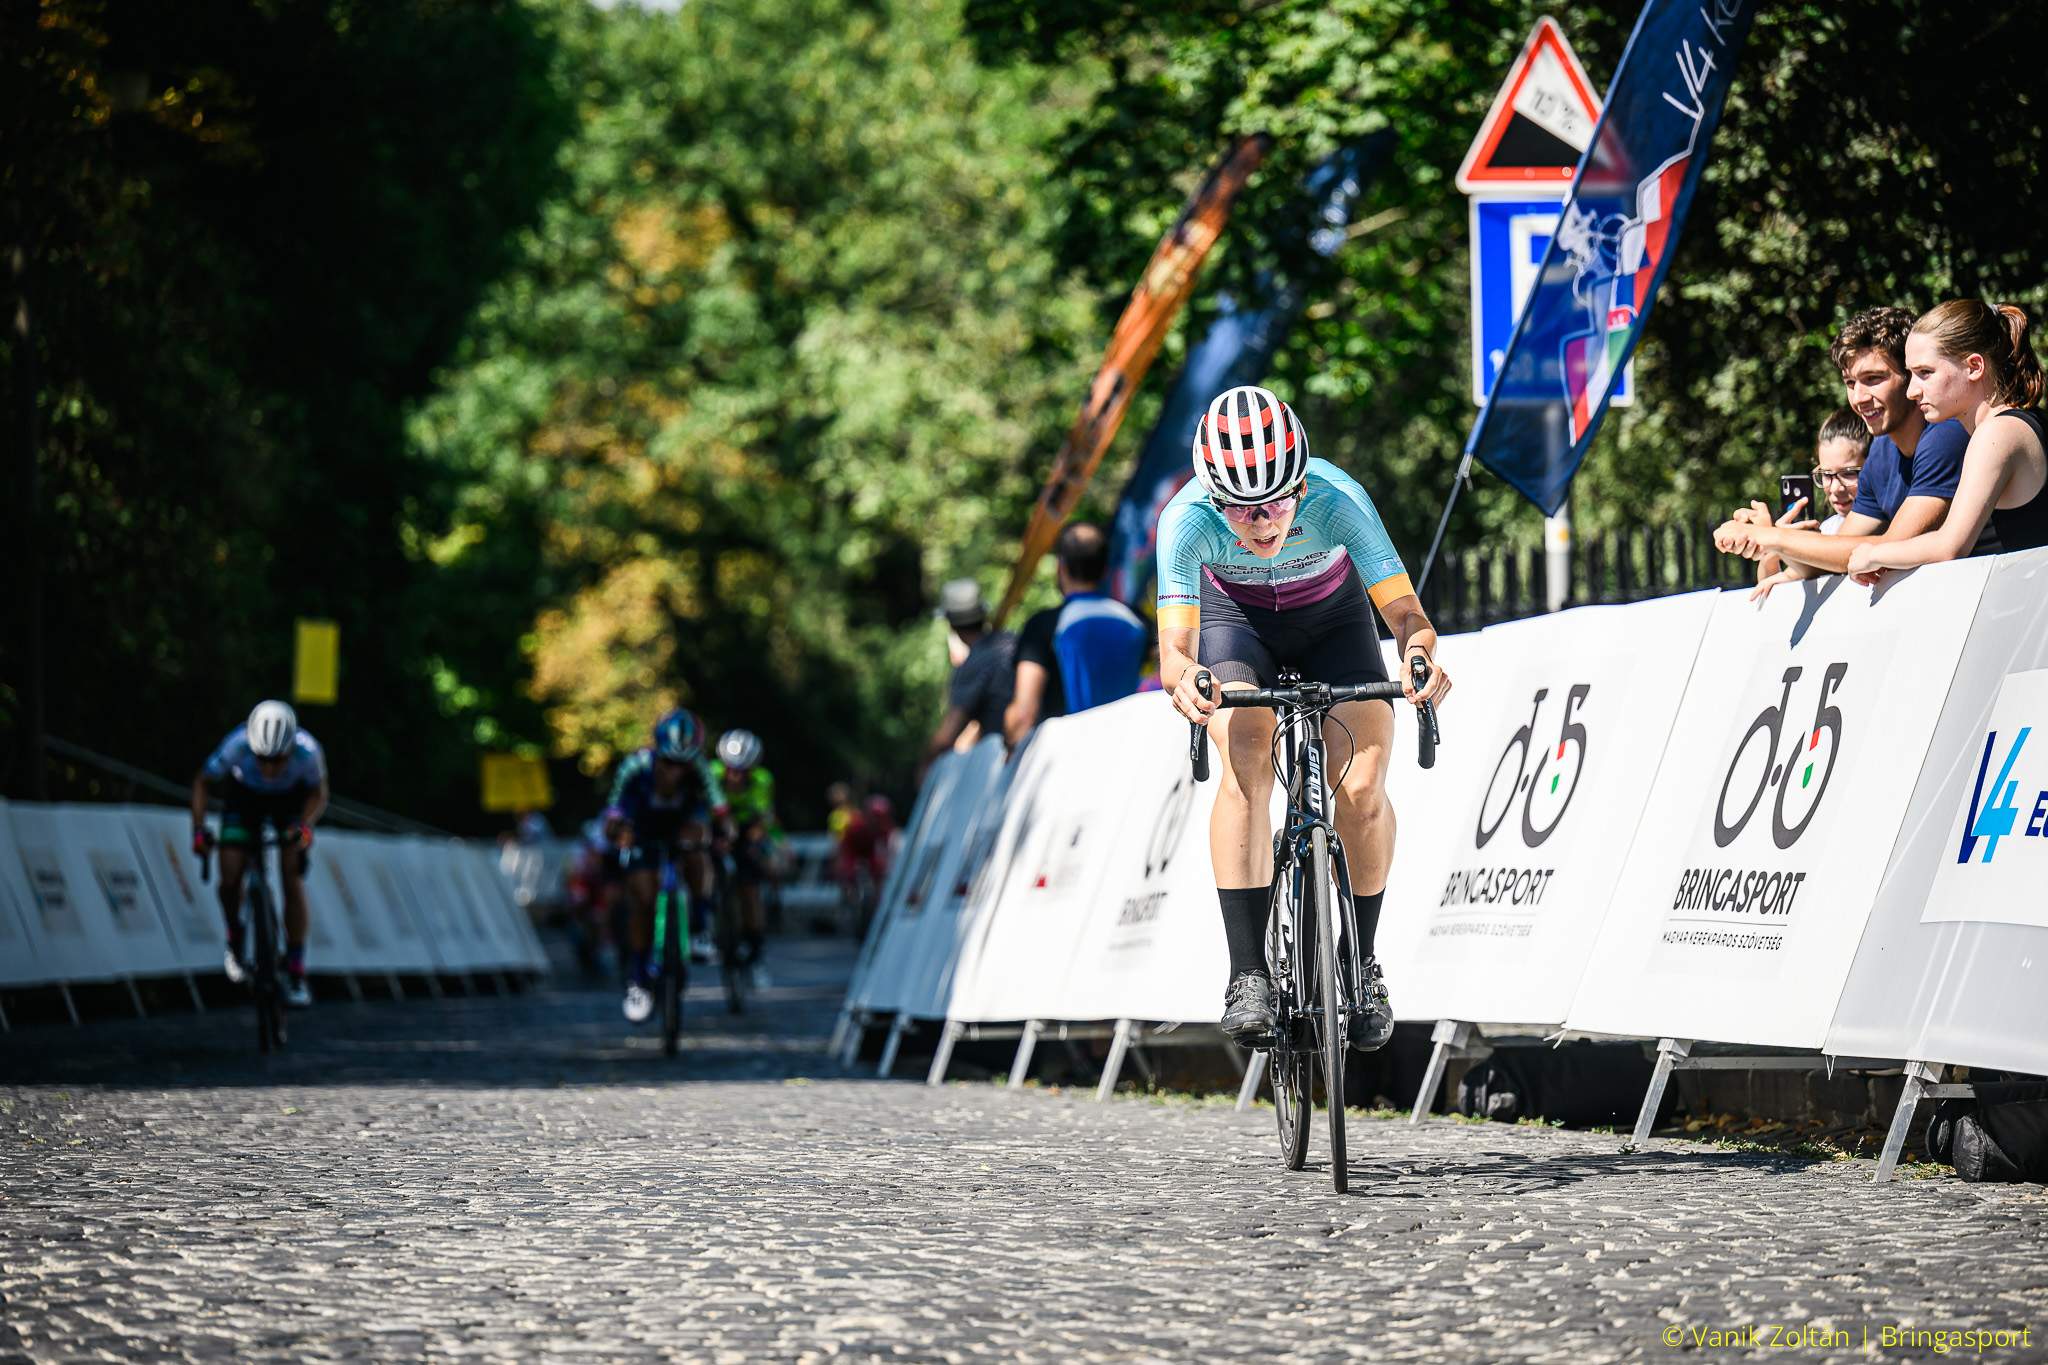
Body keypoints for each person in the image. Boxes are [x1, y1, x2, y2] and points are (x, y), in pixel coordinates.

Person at [1157, 385, 1449, 1050]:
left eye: (1278, 502)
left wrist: (1417, 657)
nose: (1262, 522)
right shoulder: (1184, 520)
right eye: (1240, 508)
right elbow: (1175, 652)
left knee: (1363, 786)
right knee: (1246, 758)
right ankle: (1247, 974)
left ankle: (1362, 960)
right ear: (1212, 496)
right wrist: (1190, 682)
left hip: (1333, 622)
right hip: (1236, 625)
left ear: (1302, 484)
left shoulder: (1339, 498)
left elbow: (1408, 617)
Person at [1717, 307, 1973, 596]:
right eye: (1850, 383)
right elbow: (1837, 559)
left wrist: (1773, 538)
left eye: (1873, 378)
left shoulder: (1946, 434)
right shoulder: (1882, 451)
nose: (1859, 398)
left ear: (1909, 376)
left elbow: (1891, 547)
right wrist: (1773, 542)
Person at [1850, 301, 2048, 576]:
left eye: (1925, 373)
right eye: (1911, 374)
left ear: (1974, 366)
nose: (1912, 391)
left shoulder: (1997, 433)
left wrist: (1872, 554)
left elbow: (1949, 546)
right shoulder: (2014, 424)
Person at [189, 700, 329, 1008]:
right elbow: (202, 782)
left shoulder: (308, 752)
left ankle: (296, 970)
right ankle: (234, 938)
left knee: (291, 876)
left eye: (277, 760)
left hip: (288, 804)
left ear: (291, 749)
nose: (269, 768)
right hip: (244, 801)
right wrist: (198, 830)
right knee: (229, 876)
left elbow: (318, 793)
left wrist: (305, 826)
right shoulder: (237, 745)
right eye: (262, 758)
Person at [605, 708, 728, 1024]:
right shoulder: (635, 767)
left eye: (682, 765)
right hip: (643, 830)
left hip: (682, 827)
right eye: (669, 763)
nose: (675, 773)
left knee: (699, 852)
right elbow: (614, 811)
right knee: (643, 898)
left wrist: (723, 830)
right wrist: (619, 832)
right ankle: (638, 978)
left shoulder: (699, 769)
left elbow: (718, 808)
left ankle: (699, 925)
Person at [1002, 521, 1147, 750]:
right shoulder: (1137, 622)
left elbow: (1023, 715)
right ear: (1105, 569)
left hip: (1070, 756)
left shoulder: (1045, 625)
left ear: (1061, 567)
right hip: (1130, 749)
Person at [1751, 409, 1869, 588]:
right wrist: (1771, 550)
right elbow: (1774, 587)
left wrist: (1781, 541)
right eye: (1826, 475)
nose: (1835, 488)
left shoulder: (1888, 525)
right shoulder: (1829, 528)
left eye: (1849, 473)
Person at [921, 579, 1014, 773]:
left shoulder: (973, 664)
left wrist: (925, 764)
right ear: (983, 615)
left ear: (951, 624)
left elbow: (948, 735)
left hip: (1005, 761)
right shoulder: (1013, 642)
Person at [711, 728, 780, 973]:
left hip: (747, 830)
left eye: (742, 771)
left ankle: (755, 942)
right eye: (731, 770)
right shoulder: (711, 774)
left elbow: (763, 819)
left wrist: (752, 840)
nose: (736, 776)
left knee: (750, 886)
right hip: (716, 828)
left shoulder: (762, 780)